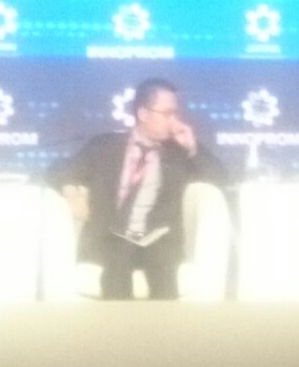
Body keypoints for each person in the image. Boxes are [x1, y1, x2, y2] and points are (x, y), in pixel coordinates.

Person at [49, 77, 225, 301]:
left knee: (163, 269)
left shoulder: (178, 153)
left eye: (175, 113)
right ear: (143, 113)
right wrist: (71, 192)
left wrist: (192, 148)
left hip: (157, 239)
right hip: (112, 236)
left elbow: (220, 178)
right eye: (167, 113)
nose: (174, 121)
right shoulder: (105, 147)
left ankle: (165, 324)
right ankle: (118, 324)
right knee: (117, 265)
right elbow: (57, 169)